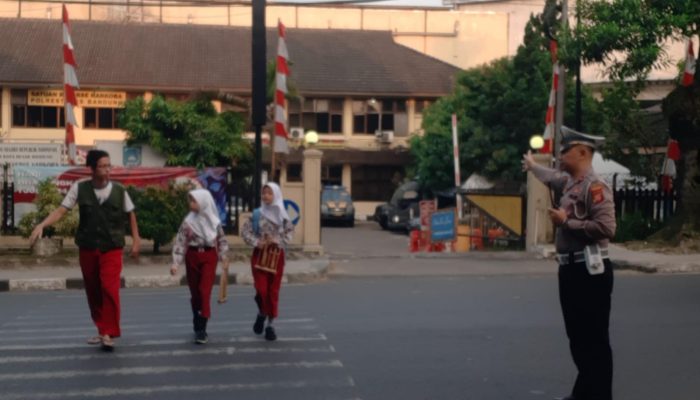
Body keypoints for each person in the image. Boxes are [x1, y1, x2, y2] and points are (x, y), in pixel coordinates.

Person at [523, 126, 616, 400]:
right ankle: (586, 393)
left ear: (583, 152)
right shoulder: (570, 183)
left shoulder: (595, 187)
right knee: (577, 338)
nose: (560, 155)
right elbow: (550, 177)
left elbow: (607, 228)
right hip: (571, 269)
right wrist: (531, 166)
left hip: (590, 271)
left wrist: (568, 222)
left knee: (594, 340)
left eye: (565, 151)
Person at [29, 149, 141, 351]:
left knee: (109, 288)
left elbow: (130, 214)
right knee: (93, 290)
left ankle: (109, 332)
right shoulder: (79, 188)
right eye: (103, 166)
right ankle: (101, 329)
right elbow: (61, 210)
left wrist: (136, 240)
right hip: (88, 247)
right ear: (92, 169)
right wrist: (42, 225)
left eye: (109, 166)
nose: (108, 170)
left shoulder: (119, 190)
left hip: (112, 247)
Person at [170, 189, 229, 344]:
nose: (191, 204)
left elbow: (222, 240)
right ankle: (197, 315)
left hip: (209, 256)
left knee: (204, 290)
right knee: (195, 292)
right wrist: (176, 262)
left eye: (194, 201)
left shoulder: (214, 222)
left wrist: (223, 256)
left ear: (203, 202)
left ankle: (202, 328)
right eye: (190, 200)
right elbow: (181, 242)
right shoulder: (188, 222)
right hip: (192, 256)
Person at [241, 182, 294, 341]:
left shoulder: (283, 216)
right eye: (264, 193)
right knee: (261, 289)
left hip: (277, 257)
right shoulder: (257, 214)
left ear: (276, 195)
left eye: (270, 193)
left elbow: (290, 234)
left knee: (273, 291)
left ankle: (270, 325)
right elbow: (245, 232)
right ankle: (262, 312)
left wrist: (276, 240)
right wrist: (258, 242)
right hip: (259, 257)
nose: (266, 196)